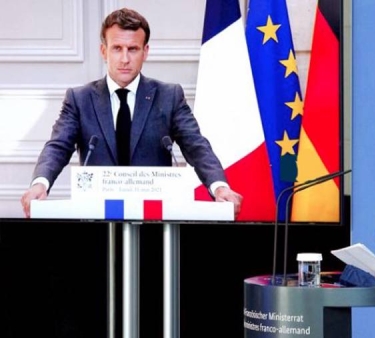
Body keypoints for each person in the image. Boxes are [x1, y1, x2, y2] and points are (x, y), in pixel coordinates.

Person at [20, 7, 242, 219]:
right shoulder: (80, 99)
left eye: (133, 49)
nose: (124, 59)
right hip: (97, 218)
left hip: (155, 220)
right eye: (117, 48)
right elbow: (58, 146)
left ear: (145, 51)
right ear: (104, 51)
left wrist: (219, 186)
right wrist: (41, 182)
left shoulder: (169, 96)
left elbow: (196, 146)